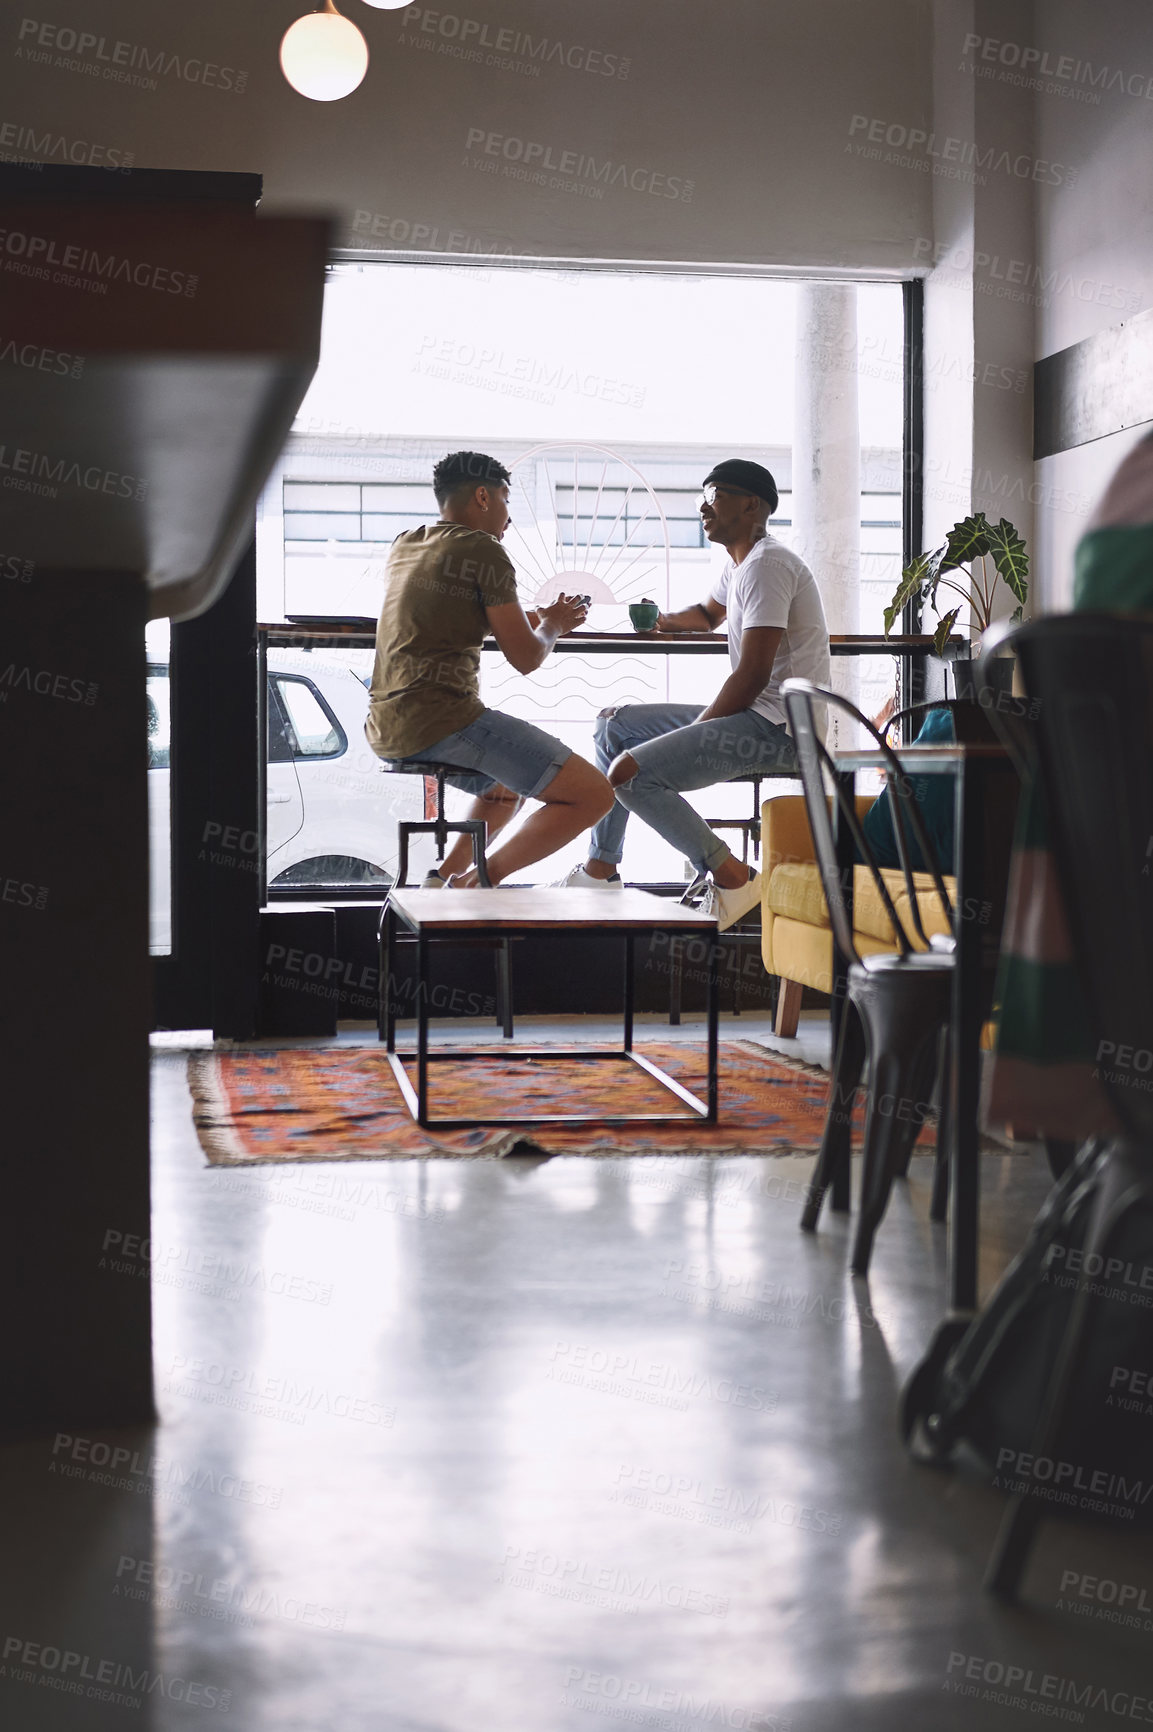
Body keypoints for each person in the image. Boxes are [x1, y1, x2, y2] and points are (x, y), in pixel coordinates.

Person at [559, 458, 830, 930]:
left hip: (782, 730)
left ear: (751, 506)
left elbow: (750, 676)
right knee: (613, 725)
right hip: (754, 716)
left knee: (629, 774)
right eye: (703, 497)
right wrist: (660, 620)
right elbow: (707, 614)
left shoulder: (769, 566)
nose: (703, 508)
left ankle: (734, 877)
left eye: (715, 496)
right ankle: (601, 870)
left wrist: (698, 729)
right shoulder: (742, 563)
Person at [365, 450, 613, 885]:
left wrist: (539, 618)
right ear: (483, 496)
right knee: (594, 794)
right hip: (442, 720)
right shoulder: (484, 549)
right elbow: (527, 659)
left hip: (385, 726)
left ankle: (442, 878)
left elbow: (446, 614)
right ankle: (479, 881)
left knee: (504, 787)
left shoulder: (406, 542)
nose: (509, 517)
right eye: (505, 499)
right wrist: (553, 624)